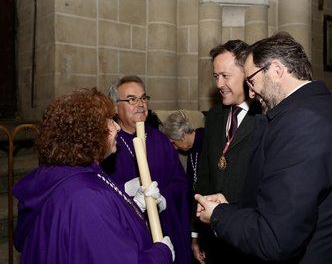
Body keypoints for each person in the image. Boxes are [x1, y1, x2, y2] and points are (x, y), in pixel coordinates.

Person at [195, 32, 332, 264]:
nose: (252, 92)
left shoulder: (306, 124)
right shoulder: (313, 110)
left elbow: (274, 239)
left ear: (276, 70)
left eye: (252, 80)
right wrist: (231, 210)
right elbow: (279, 205)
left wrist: (219, 215)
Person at [13, 88, 174, 263]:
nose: (118, 127)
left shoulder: (68, 171)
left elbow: (96, 234)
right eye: (110, 122)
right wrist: (161, 253)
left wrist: (132, 205)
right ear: (89, 133)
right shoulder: (85, 197)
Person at [102, 75, 191, 264]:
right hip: (130, 238)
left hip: (166, 228)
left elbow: (181, 182)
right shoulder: (107, 144)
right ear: (115, 107)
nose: (140, 104)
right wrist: (127, 195)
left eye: (143, 98)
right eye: (132, 99)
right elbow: (99, 194)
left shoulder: (159, 139)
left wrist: (162, 198)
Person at [193, 39, 261, 263]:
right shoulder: (213, 117)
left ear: (246, 74)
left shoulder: (265, 118)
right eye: (215, 76)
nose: (219, 83)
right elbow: (204, 177)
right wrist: (197, 233)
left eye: (225, 75)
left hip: (249, 239)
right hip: (214, 238)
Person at [161, 110, 205, 190]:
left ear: (183, 136)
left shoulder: (207, 140)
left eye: (173, 143)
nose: (175, 148)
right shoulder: (191, 148)